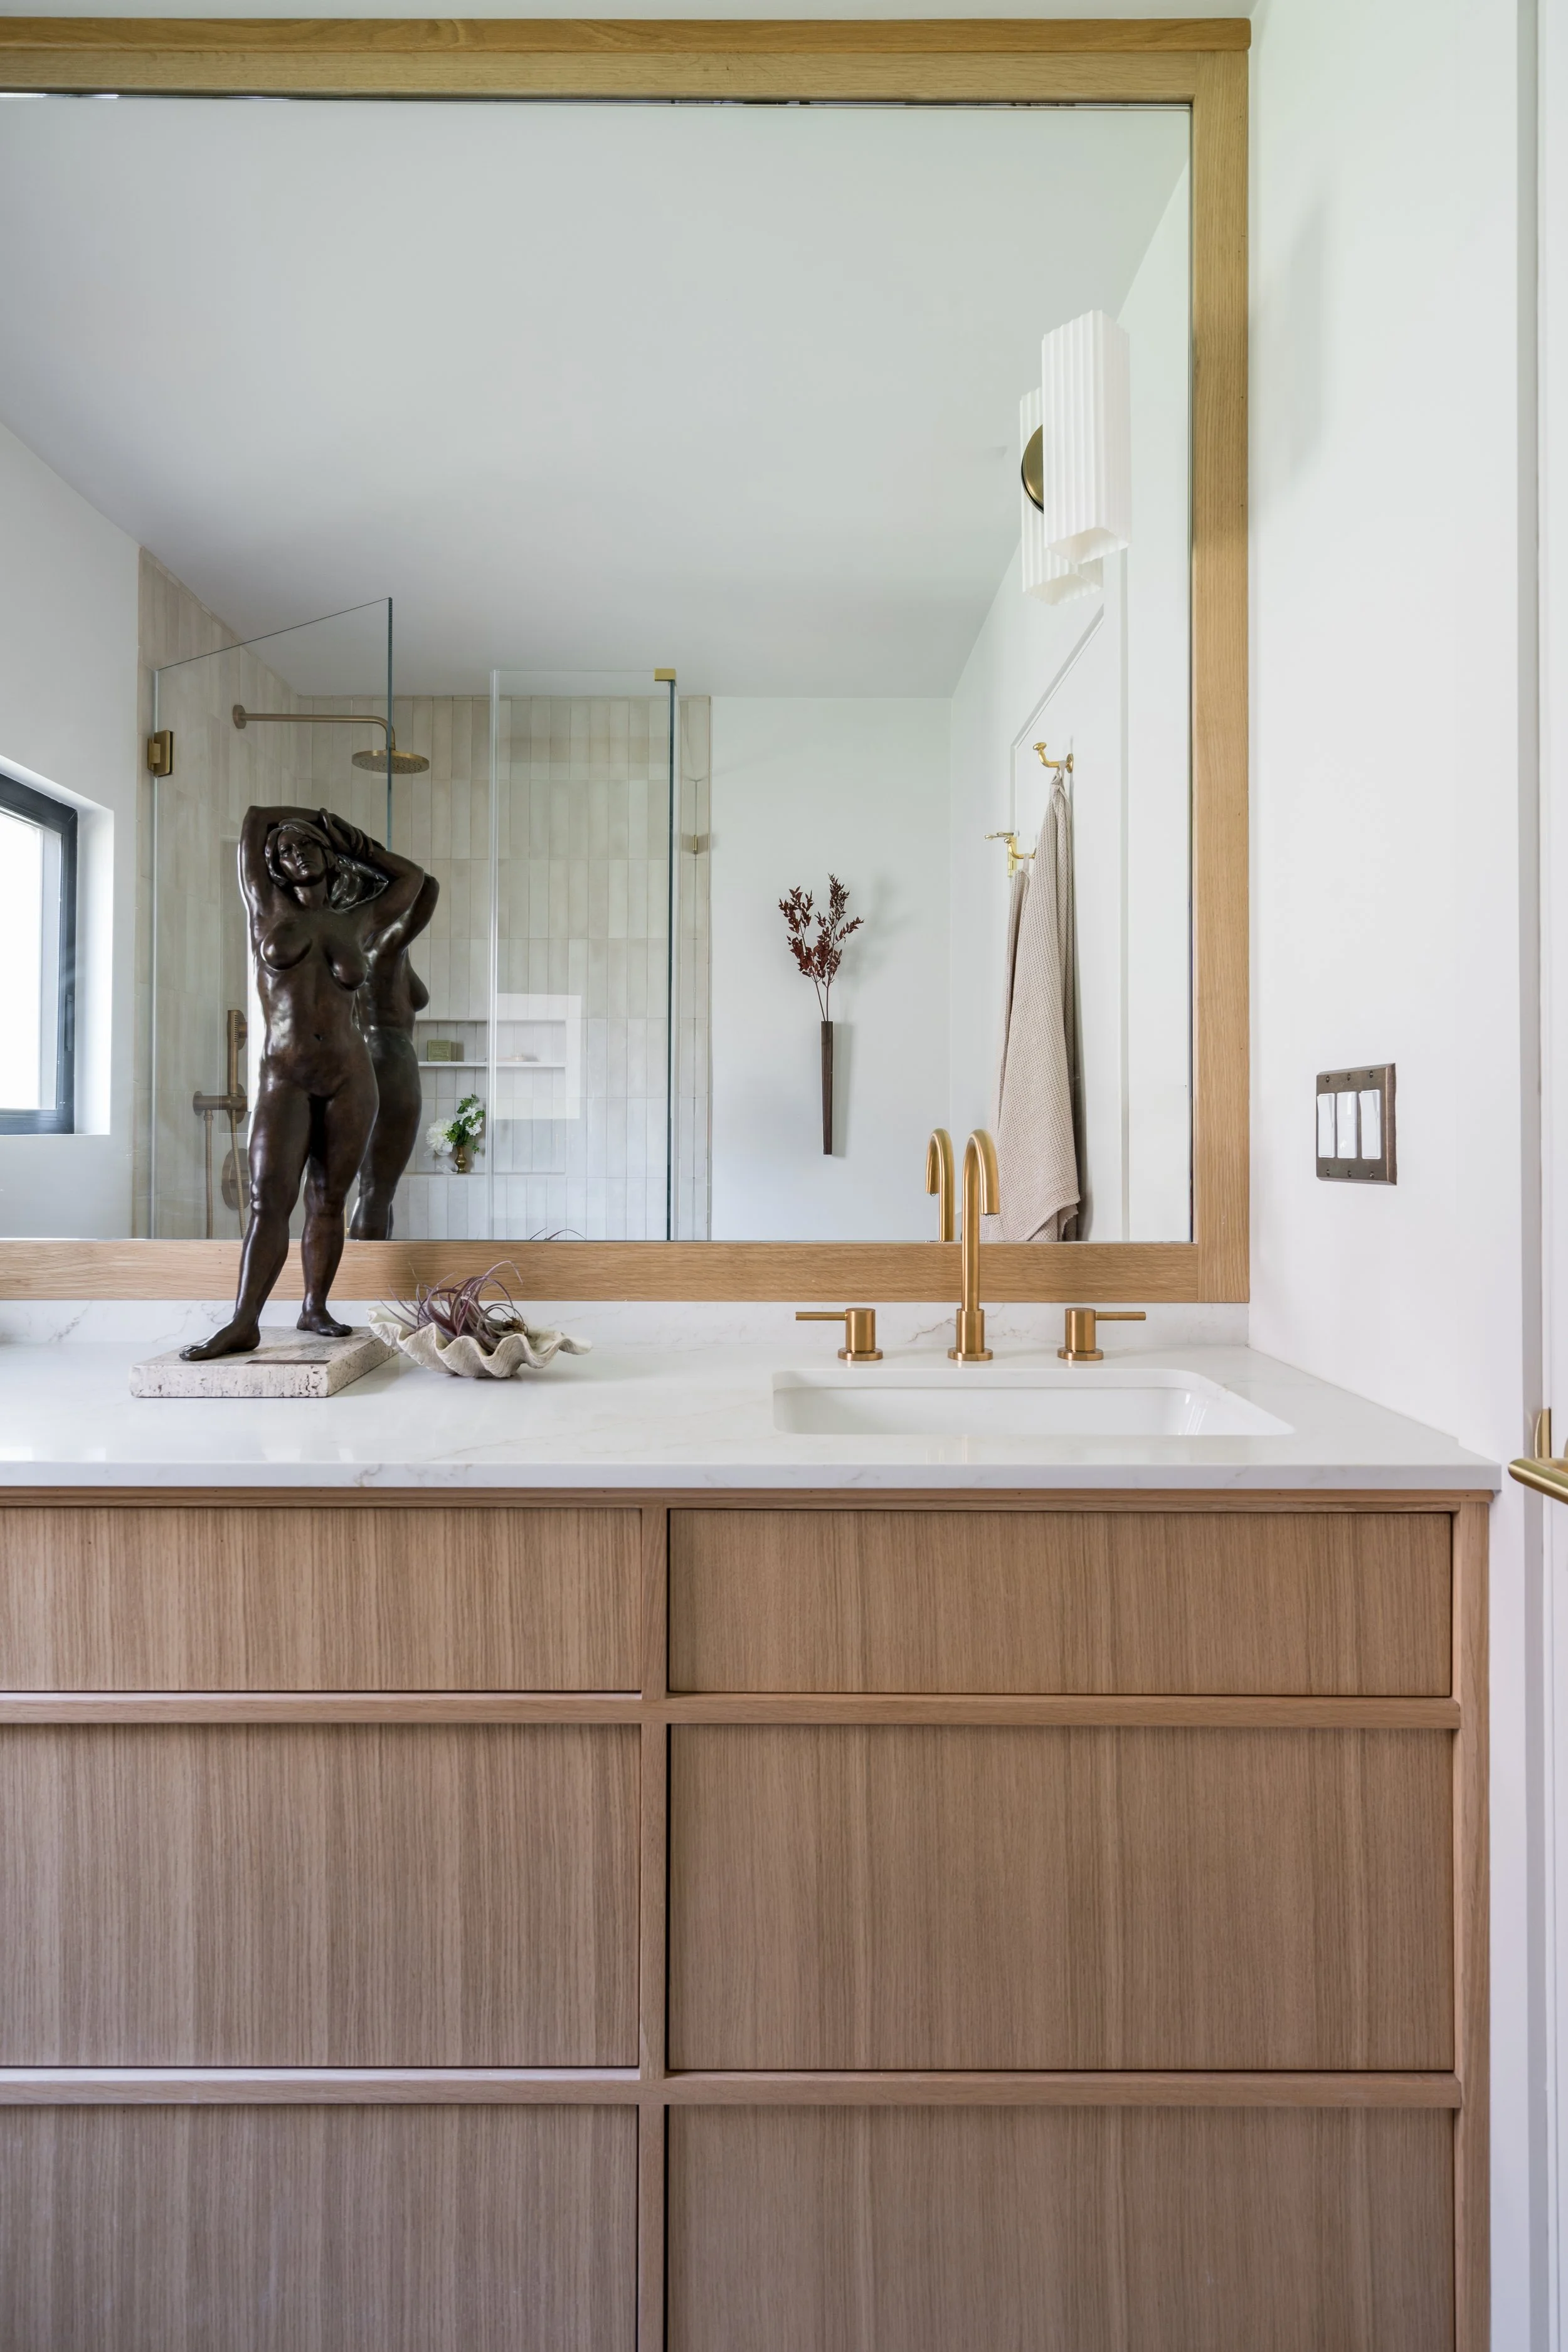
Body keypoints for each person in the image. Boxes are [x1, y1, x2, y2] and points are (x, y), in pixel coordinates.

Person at [181, 805, 429, 1360]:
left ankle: (315, 1306)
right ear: (276, 866)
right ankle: (244, 1321)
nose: (297, 855)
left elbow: (411, 881)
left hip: (350, 1075)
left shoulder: (355, 921)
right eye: (286, 850)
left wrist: (355, 842)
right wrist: (310, 817)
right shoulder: (265, 909)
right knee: (269, 1198)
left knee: (329, 1199)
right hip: (284, 1076)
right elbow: (253, 819)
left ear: (326, 854)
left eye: (308, 846)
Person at [349, 867, 440, 1239]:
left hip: (379, 1061)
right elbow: (428, 887)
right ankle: (358, 1284)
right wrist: (375, 858)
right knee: (376, 1191)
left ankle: (364, 1280)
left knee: (378, 1191)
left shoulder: (381, 951)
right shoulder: (380, 946)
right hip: (388, 1062)